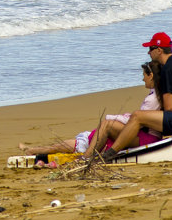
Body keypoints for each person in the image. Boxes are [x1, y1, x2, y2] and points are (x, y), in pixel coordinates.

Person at [101, 32, 172, 162]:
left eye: (150, 49)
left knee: (137, 116)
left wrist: (150, 121)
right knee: (143, 118)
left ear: (159, 50)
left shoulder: (168, 69)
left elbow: (169, 108)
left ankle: (112, 153)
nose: (148, 53)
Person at [19, 61, 162, 158]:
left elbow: (136, 121)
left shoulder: (152, 99)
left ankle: (33, 150)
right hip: (141, 135)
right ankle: (31, 150)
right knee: (63, 145)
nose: (142, 79)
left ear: (151, 76)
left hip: (144, 138)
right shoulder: (155, 96)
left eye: (144, 75)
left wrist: (113, 118)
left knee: (62, 146)